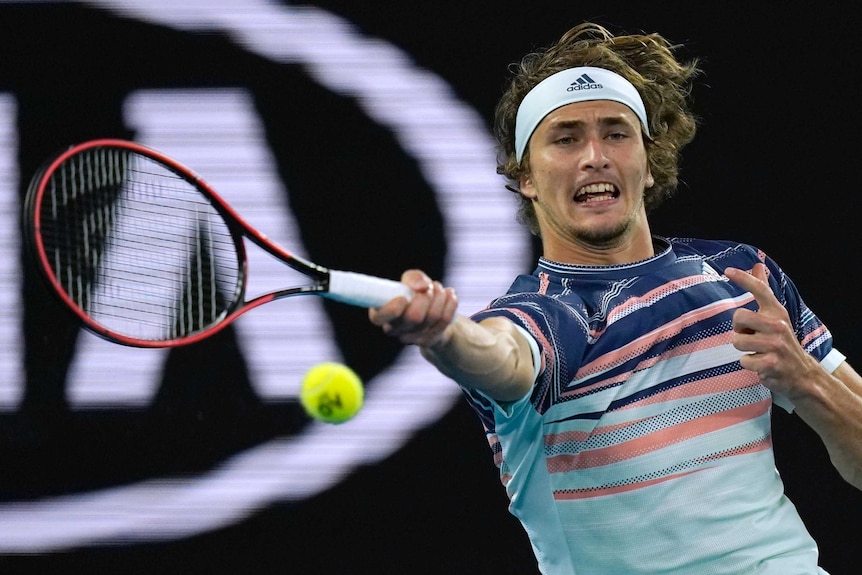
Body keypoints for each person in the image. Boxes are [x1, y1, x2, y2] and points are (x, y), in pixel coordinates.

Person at [368, 22, 862, 574]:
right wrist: (443, 334)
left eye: (617, 133)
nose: (595, 156)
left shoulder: (742, 275)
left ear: (649, 162)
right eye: (566, 137)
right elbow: (500, 357)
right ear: (525, 176)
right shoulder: (543, 315)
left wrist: (808, 380)